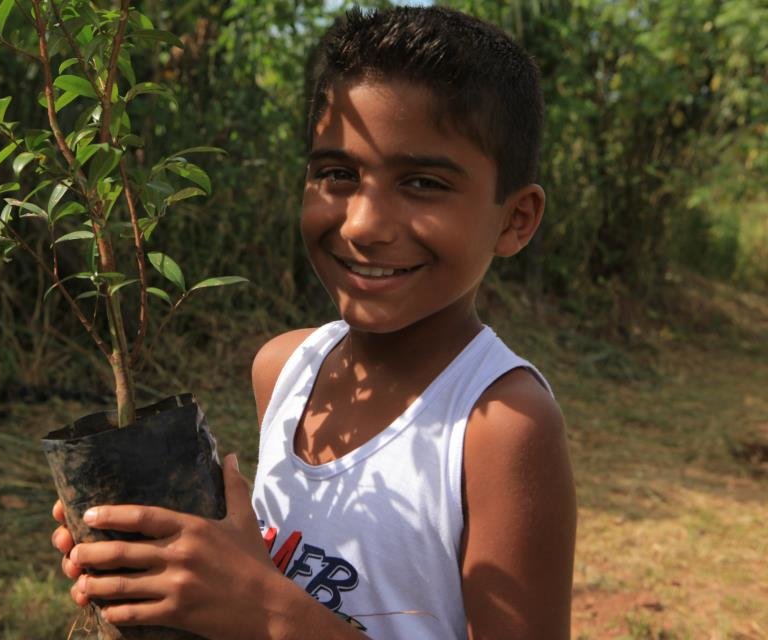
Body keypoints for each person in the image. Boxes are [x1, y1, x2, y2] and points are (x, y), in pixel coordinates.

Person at [50, 6, 576, 639]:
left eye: (423, 182)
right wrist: (181, 564)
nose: (361, 225)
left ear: (516, 219)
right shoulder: (284, 368)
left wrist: (266, 610)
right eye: (337, 174)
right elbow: (288, 569)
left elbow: (274, 610)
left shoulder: (499, 426)